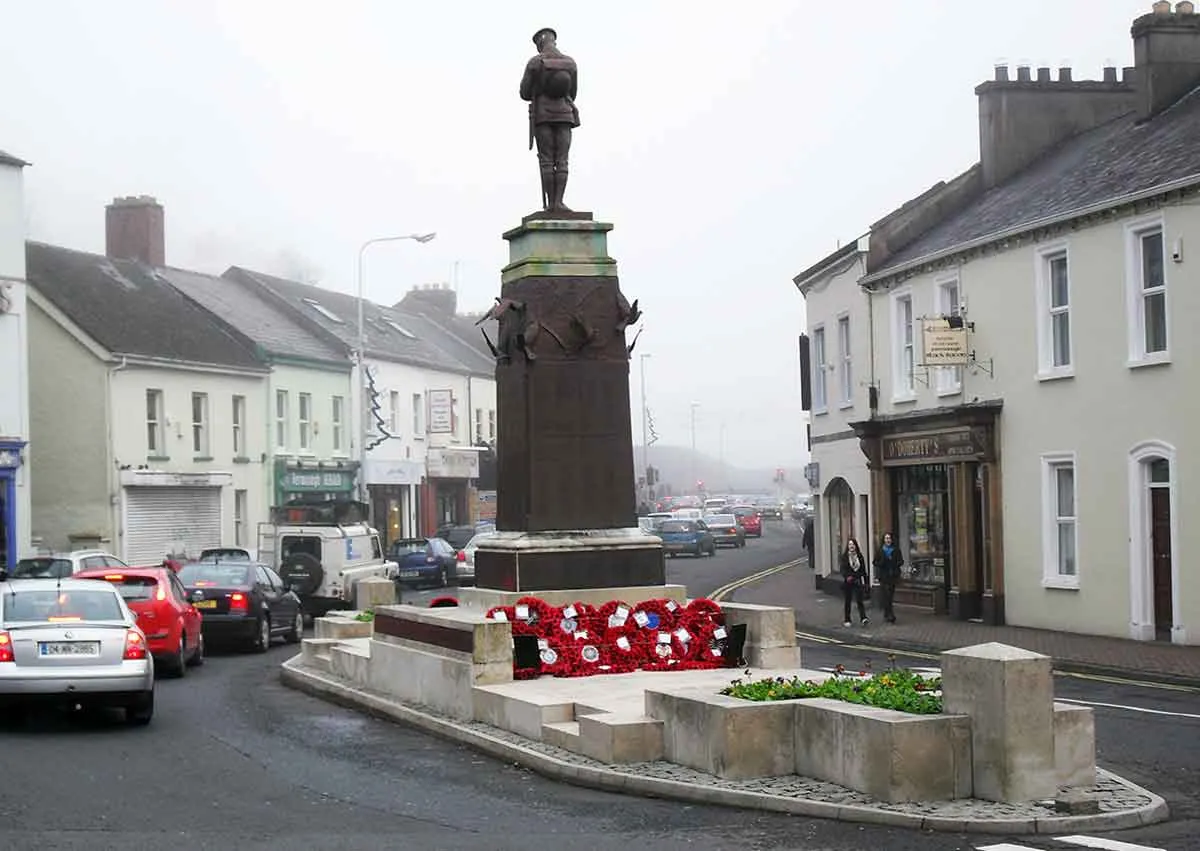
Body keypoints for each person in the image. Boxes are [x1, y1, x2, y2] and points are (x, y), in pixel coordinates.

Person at [520, 27, 580, 211]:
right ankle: (559, 202)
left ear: (539, 44)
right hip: (565, 115)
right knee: (562, 160)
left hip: (543, 115)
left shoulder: (535, 63)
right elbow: (574, 93)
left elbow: (524, 93)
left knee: (546, 160)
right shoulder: (570, 63)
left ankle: (551, 204)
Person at [873, 531, 905, 624]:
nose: (888, 540)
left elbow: (901, 561)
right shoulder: (880, 550)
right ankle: (889, 614)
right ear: (883, 540)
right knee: (886, 595)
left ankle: (888, 613)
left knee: (890, 596)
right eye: (886, 538)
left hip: (892, 576)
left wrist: (895, 563)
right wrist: (882, 562)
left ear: (892, 540)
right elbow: (875, 562)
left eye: (889, 538)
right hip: (883, 576)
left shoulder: (896, 550)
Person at [839, 537, 869, 627]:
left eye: (853, 544)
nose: (851, 546)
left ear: (856, 546)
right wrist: (847, 576)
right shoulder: (845, 557)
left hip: (857, 580)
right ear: (848, 546)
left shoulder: (859, 556)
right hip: (848, 582)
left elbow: (863, 570)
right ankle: (847, 619)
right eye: (850, 544)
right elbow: (842, 569)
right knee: (848, 601)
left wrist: (866, 582)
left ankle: (863, 618)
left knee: (860, 600)